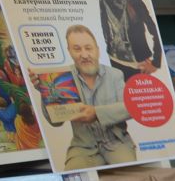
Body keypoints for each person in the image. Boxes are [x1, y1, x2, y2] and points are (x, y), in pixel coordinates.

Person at [55, 24, 136, 168]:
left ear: (97, 50)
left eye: (88, 48)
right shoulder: (63, 78)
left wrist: (97, 113)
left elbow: (130, 108)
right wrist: (44, 92)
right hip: (83, 148)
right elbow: (55, 122)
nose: (84, 55)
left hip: (117, 143)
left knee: (130, 177)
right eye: (77, 49)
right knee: (74, 177)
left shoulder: (115, 75)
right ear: (69, 52)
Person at [91, 0, 161, 79]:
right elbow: (106, 34)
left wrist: (156, 62)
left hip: (138, 65)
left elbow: (153, 29)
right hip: (114, 64)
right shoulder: (102, 1)